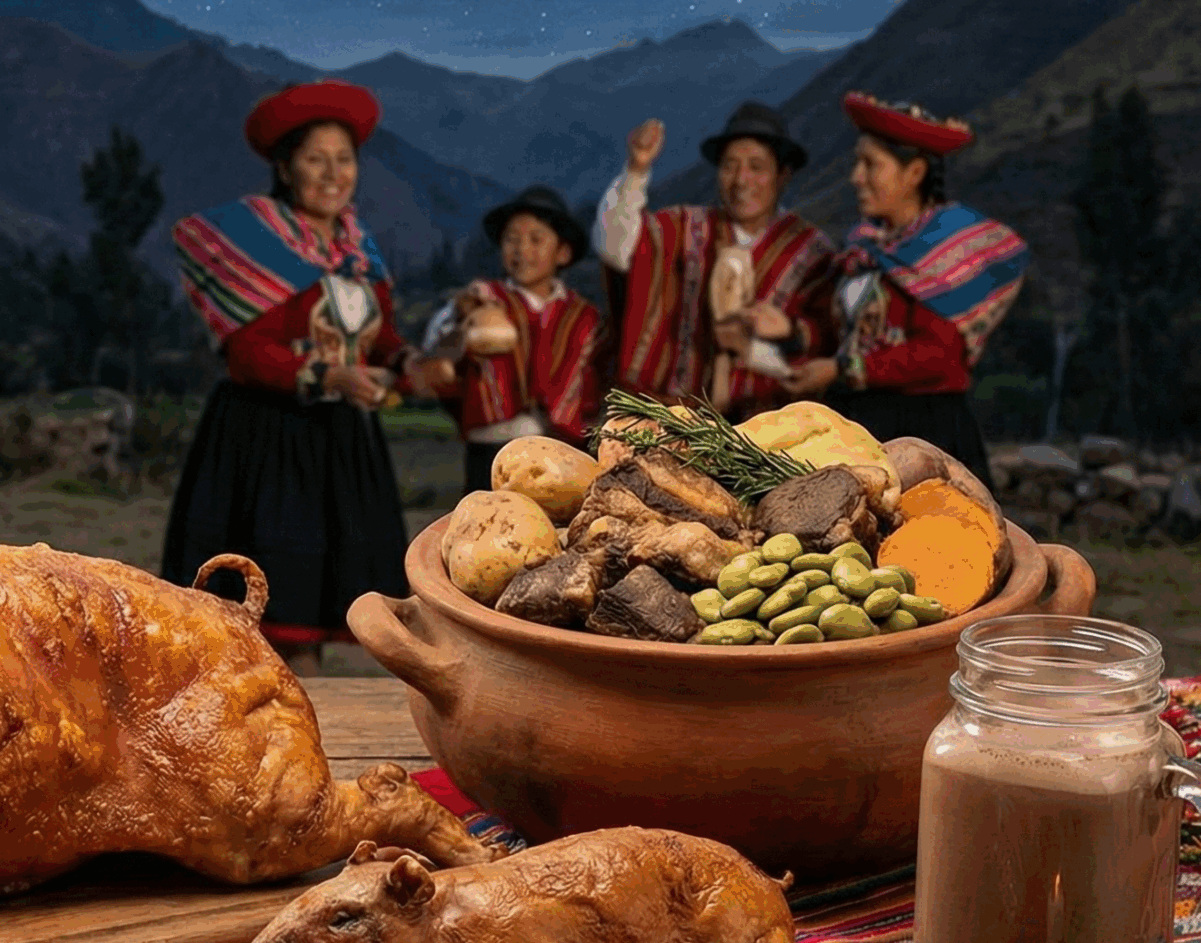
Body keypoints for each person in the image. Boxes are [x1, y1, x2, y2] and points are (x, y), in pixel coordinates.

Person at [163, 80, 419, 677]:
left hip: (343, 443)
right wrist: (332, 374)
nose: (334, 174)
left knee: (337, 597)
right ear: (284, 167)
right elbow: (248, 352)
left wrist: (409, 366)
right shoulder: (255, 240)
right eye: (315, 159)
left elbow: (381, 339)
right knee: (280, 606)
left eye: (344, 159)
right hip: (270, 442)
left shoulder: (358, 249)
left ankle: (319, 728)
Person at [782, 93, 1028, 478]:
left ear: (913, 173)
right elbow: (844, 331)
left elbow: (939, 355)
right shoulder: (866, 247)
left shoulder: (945, 251)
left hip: (924, 431)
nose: (856, 178)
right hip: (860, 425)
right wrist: (790, 332)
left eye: (870, 165)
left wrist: (840, 369)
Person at [595, 102, 836, 418]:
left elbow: (824, 348)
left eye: (757, 167)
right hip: (664, 415)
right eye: (729, 166)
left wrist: (774, 339)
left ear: (783, 176)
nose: (741, 180)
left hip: (763, 429)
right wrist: (637, 170)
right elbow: (614, 245)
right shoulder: (683, 228)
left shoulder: (811, 251)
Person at [418, 185, 608, 492]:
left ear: (563, 252)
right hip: (492, 449)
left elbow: (595, 379)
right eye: (512, 240)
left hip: (562, 451)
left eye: (536, 239)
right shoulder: (481, 301)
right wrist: (462, 325)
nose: (522, 250)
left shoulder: (583, 317)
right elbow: (436, 347)